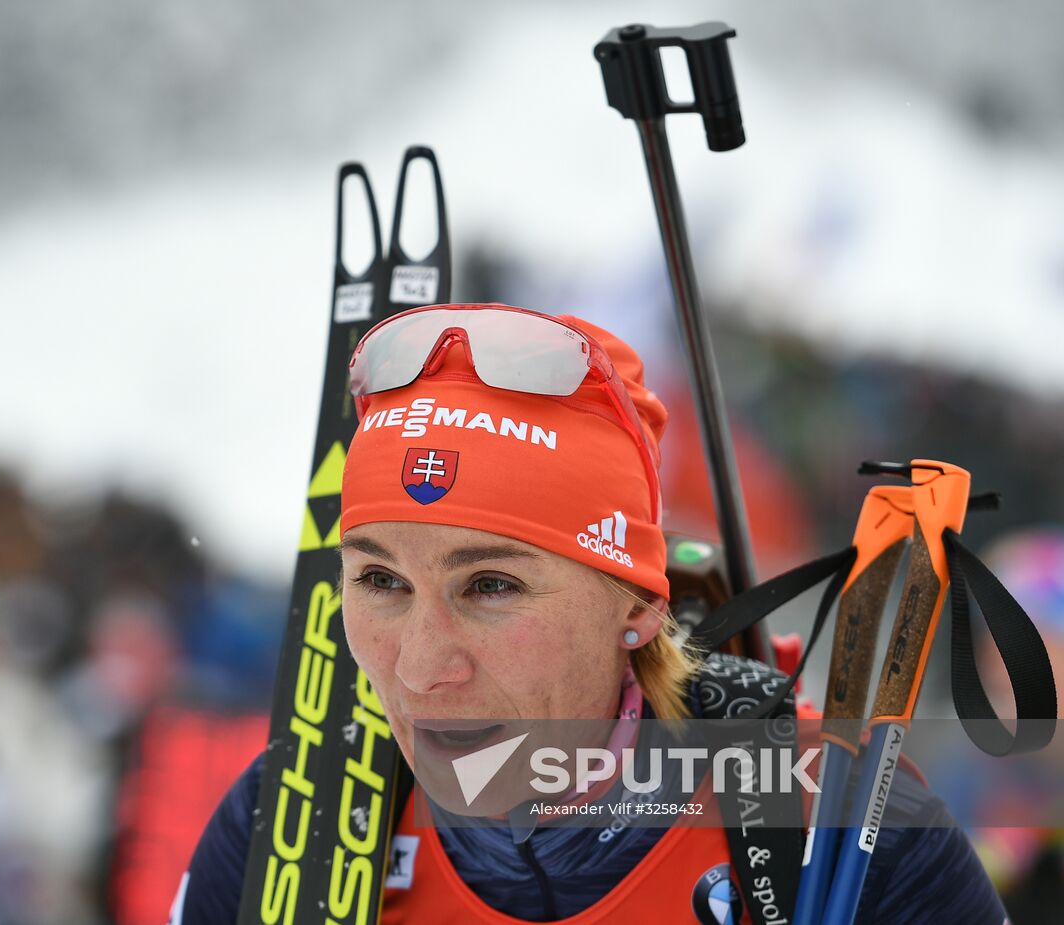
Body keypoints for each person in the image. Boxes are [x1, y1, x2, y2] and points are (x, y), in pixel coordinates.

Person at [174, 304, 1008, 923]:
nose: (422, 665)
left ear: (641, 603)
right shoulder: (289, 822)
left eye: (492, 585)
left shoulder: (845, 832)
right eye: (381, 581)